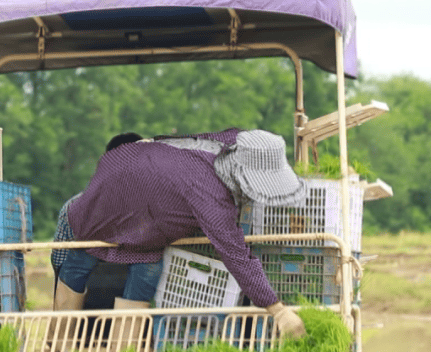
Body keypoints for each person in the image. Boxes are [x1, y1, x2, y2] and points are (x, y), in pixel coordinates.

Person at [51, 128, 308, 339]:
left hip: (146, 202)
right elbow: (237, 256)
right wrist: (278, 310)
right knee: (82, 253)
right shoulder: (210, 194)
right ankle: (59, 344)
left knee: (146, 268)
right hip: (114, 189)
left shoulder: (229, 143)